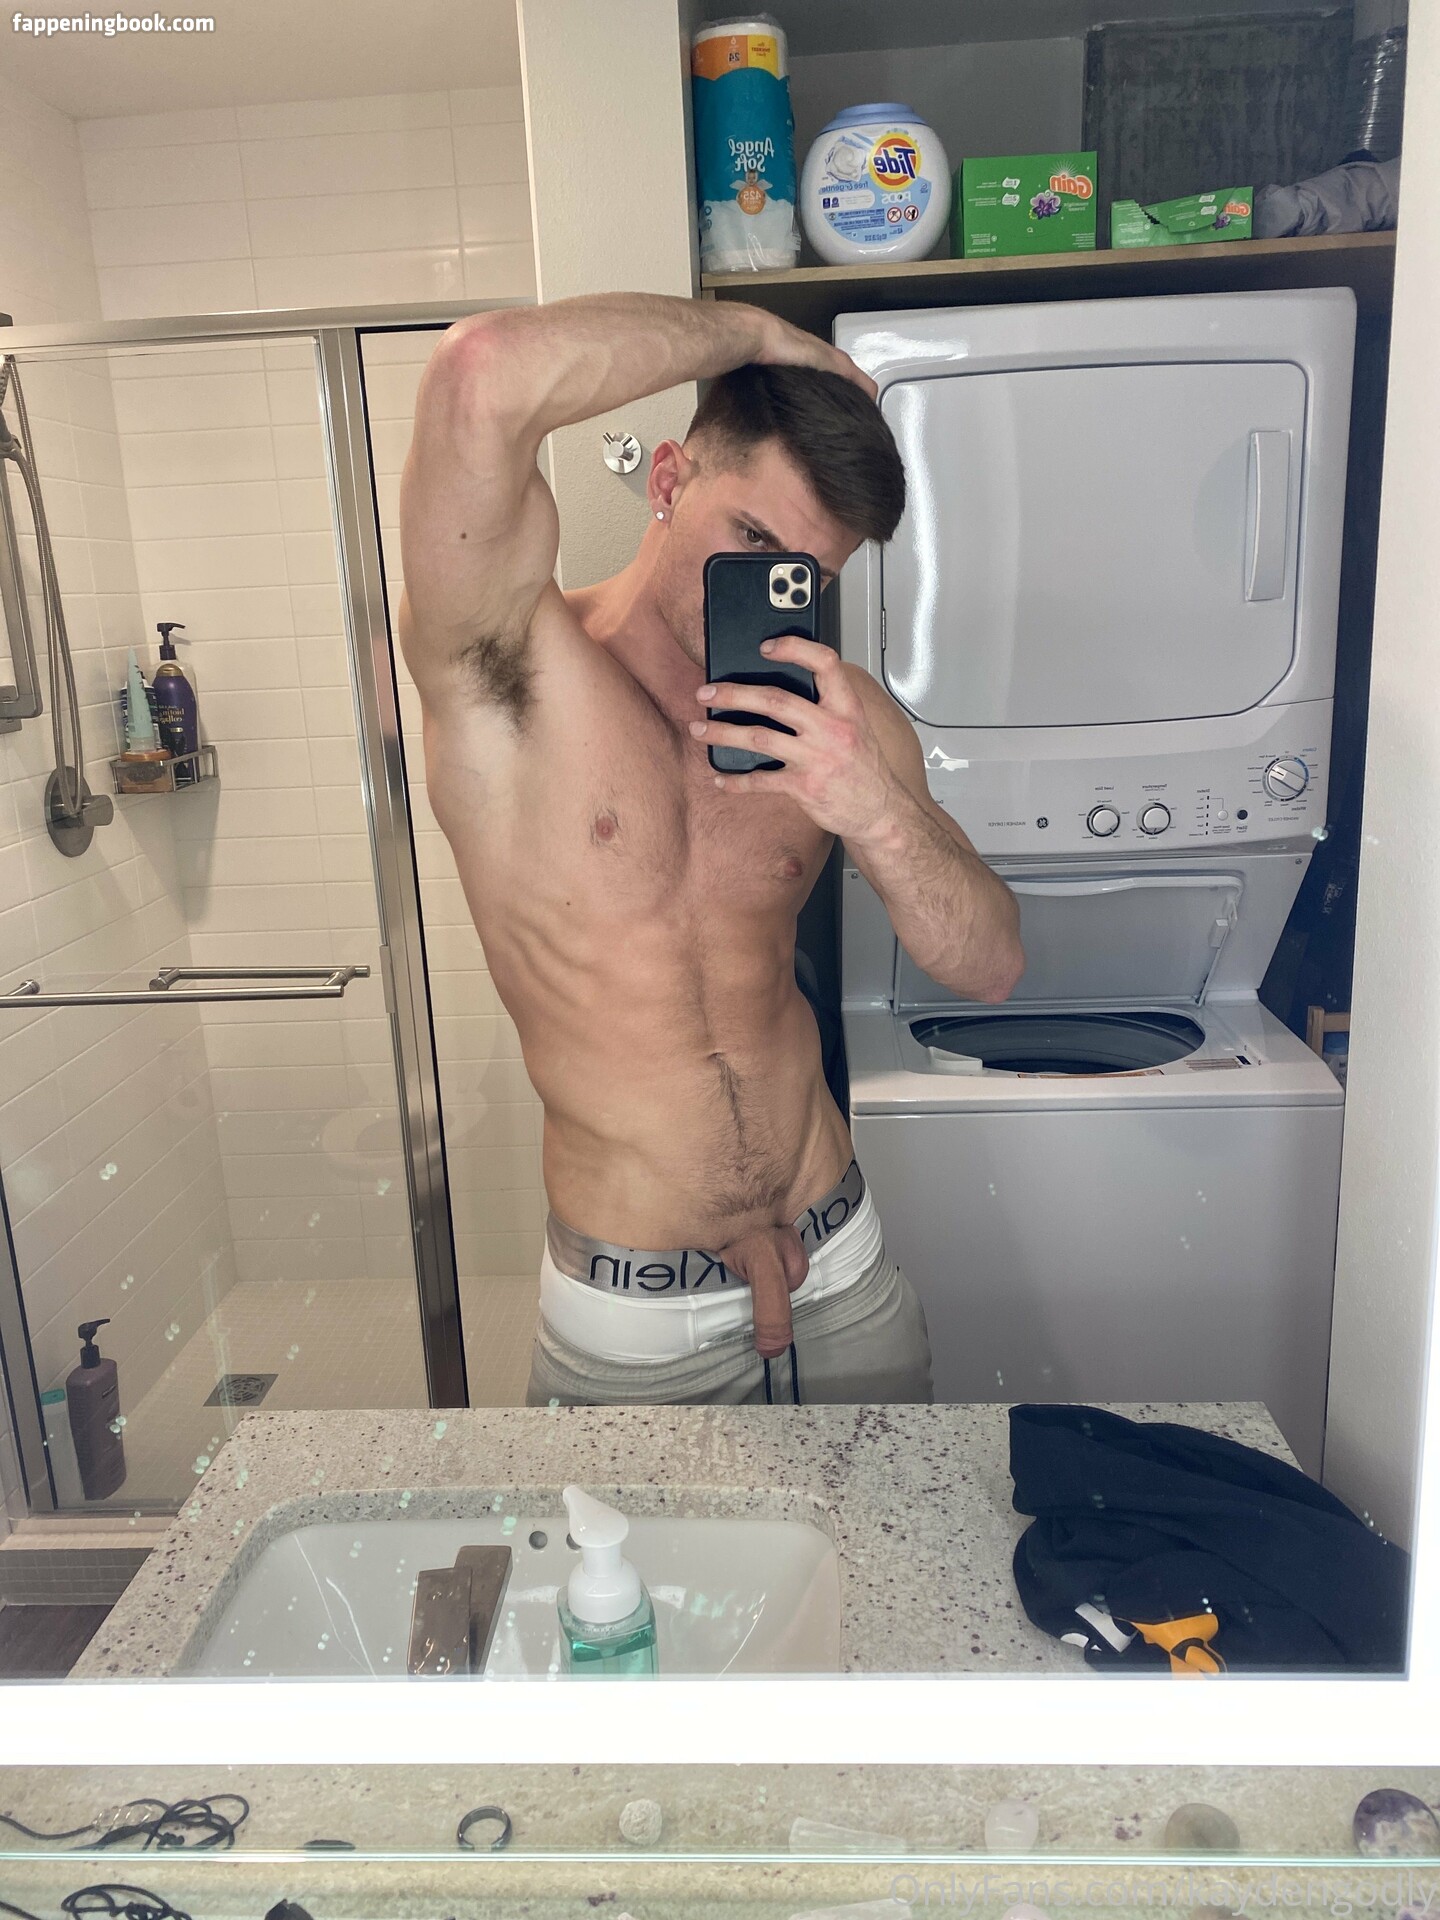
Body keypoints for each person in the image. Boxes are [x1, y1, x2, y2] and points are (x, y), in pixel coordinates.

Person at [396, 292, 1023, 1408]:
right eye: (754, 541)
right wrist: (758, 333)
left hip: (841, 1272)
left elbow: (990, 966)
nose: (777, 595)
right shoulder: (510, 669)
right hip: (636, 1321)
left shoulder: (840, 724)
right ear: (670, 481)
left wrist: (872, 806)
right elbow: (480, 373)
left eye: (809, 575)